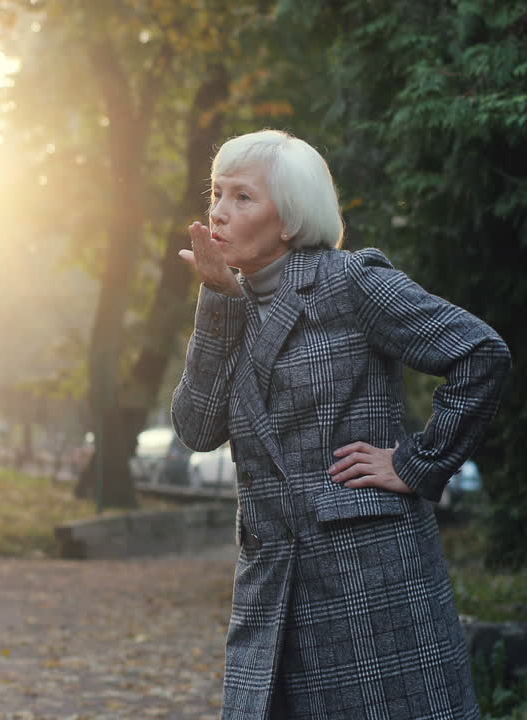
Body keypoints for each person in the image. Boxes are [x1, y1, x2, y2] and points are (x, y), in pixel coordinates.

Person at [172, 129, 511, 719]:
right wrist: (217, 302)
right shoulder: (233, 301)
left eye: (243, 197)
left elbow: (480, 354)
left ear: (290, 218)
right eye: (217, 194)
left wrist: (414, 462)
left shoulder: (350, 282)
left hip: (370, 581)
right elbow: (197, 429)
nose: (219, 212)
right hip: (271, 588)